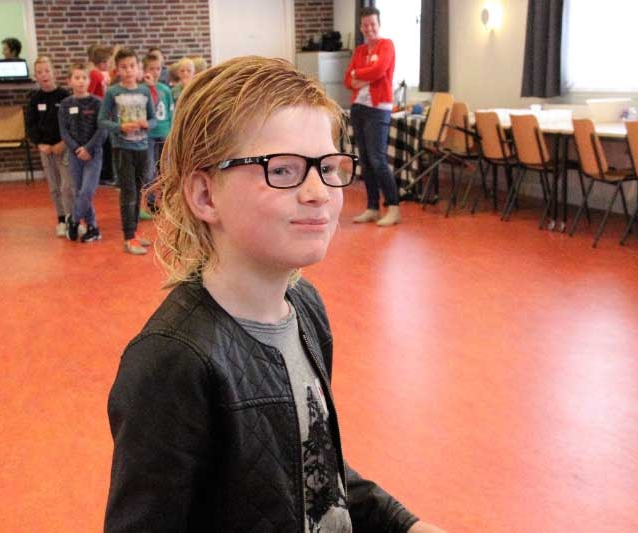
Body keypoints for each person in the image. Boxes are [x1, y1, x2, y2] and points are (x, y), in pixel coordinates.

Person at [104, 56, 445, 533]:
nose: (318, 192)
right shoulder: (171, 361)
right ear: (205, 196)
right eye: (282, 170)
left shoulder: (306, 307)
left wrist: (405, 525)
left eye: (328, 167)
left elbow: (312, 468)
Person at [344, 6, 401, 227]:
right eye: (365, 25)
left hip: (378, 109)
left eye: (372, 24)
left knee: (378, 159)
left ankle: (393, 208)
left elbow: (379, 70)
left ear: (379, 25)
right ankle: (372, 207)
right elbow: (347, 80)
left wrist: (358, 74)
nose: (369, 28)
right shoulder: (359, 51)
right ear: (361, 27)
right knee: (366, 161)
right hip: (358, 108)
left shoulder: (387, 45)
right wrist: (361, 76)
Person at [98, 47, 156, 255]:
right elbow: (102, 120)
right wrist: (120, 127)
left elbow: (153, 119)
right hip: (122, 148)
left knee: (138, 190)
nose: (129, 70)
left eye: (132, 66)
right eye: (124, 67)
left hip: (142, 147)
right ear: (117, 70)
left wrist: (147, 124)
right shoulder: (113, 92)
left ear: (138, 67)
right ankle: (129, 237)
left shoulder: (144, 91)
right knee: (128, 191)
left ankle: (135, 232)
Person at [58, 63, 108, 243]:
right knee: (79, 191)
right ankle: (92, 227)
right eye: (76, 78)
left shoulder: (98, 103)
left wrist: (88, 148)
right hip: (75, 155)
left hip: (94, 154)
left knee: (87, 190)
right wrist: (76, 149)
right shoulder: (65, 104)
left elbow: (103, 130)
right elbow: (64, 131)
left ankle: (73, 220)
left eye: (84, 78)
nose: (80, 81)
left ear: (89, 81)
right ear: (69, 81)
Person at [26, 56, 74, 237]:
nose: (44, 75)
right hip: (46, 150)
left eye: (47, 71)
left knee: (67, 186)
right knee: (54, 187)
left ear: (54, 73)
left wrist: (64, 142)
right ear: (36, 76)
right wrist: (40, 143)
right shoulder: (34, 99)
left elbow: (72, 123)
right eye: (40, 72)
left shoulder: (65, 96)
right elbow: (30, 125)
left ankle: (72, 219)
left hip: (64, 147)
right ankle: (61, 220)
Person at [141, 52, 174, 214]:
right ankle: (151, 202)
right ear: (145, 70)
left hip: (164, 133)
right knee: (148, 170)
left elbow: (171, 111)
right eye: (151, 69)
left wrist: (172, 131)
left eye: (158, 68)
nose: (155, 72)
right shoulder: (142, 89)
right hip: (148, 135)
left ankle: (167, 201)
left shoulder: (165, 89)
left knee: (165, 169)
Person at [86, 44, 116, 187]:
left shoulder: (100, 74)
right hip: (99, 112)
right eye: (108, 62)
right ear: (102, 62)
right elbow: (90, 94)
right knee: (103, 144)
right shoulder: (95, 74)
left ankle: (106, 174)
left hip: (104, 111)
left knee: (106, 143)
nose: (109, 64)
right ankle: (105, 175)